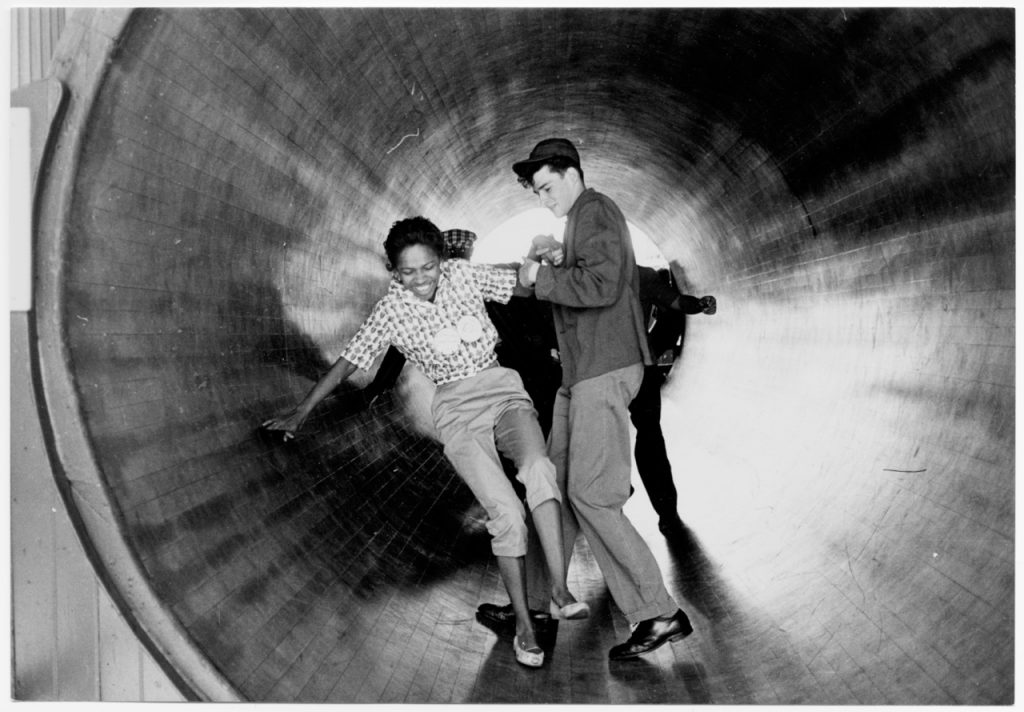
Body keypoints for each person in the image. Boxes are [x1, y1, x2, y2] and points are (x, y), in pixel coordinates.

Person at [262, 217, 588, 668]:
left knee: (538, 468)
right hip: (455, 407)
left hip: (502, 390)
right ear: (393, 270)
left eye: (428, 268)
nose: (419, 279)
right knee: (507, 513)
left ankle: (558, 590)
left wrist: (540, 259)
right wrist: (302, 410)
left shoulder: (465, 275)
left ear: (441, 260)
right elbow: (349, 360)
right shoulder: (391, 310)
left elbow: (524, 286)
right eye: (407, 272)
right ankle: (525, 629)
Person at [501, 137, 694, 661]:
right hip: (581, 375)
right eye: (536, 192)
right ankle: (538, 604)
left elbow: (605, 284)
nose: (544, 198)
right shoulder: (577, 223)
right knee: (553, 487)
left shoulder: (595, 209)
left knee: (590, 493)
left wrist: (541, 276)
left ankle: (658, 612)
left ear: (570, 173)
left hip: (604, 371)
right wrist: (560, 258)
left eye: (546, 187)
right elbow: (591, 273)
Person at [631, 266, 716, 536]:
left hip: (637, 368)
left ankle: (666, 510)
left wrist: (700, 304)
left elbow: (677, 302)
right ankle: (660, 510)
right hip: (617, 370)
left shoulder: (640, 276)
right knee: (647, 437)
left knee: (650, 437)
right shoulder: (591, 273)